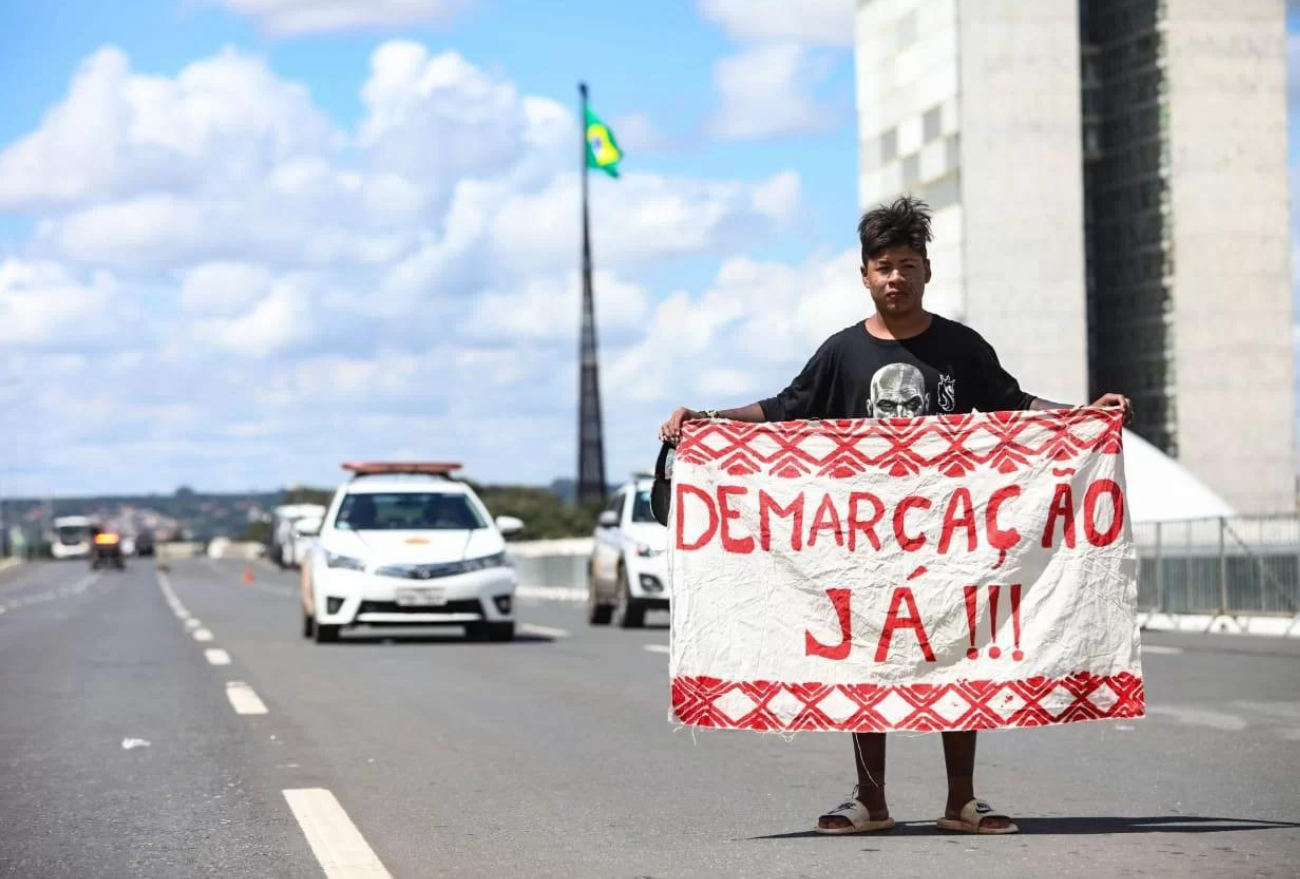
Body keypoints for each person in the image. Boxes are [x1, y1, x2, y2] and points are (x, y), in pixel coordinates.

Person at [658, 195, 1132, 836]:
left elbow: (1015, 406)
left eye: (908, 264)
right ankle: (870, 801)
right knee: (862, 659)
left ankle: (961, 799)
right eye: (883, 266)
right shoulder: (842, 353)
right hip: (862, 548)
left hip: (955, 542)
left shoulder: (961, 348)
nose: (896, 277)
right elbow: (784, 409)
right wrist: (709, 420)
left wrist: (1084, 416)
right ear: (865, 275)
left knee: (961, 651)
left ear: (927, 271)